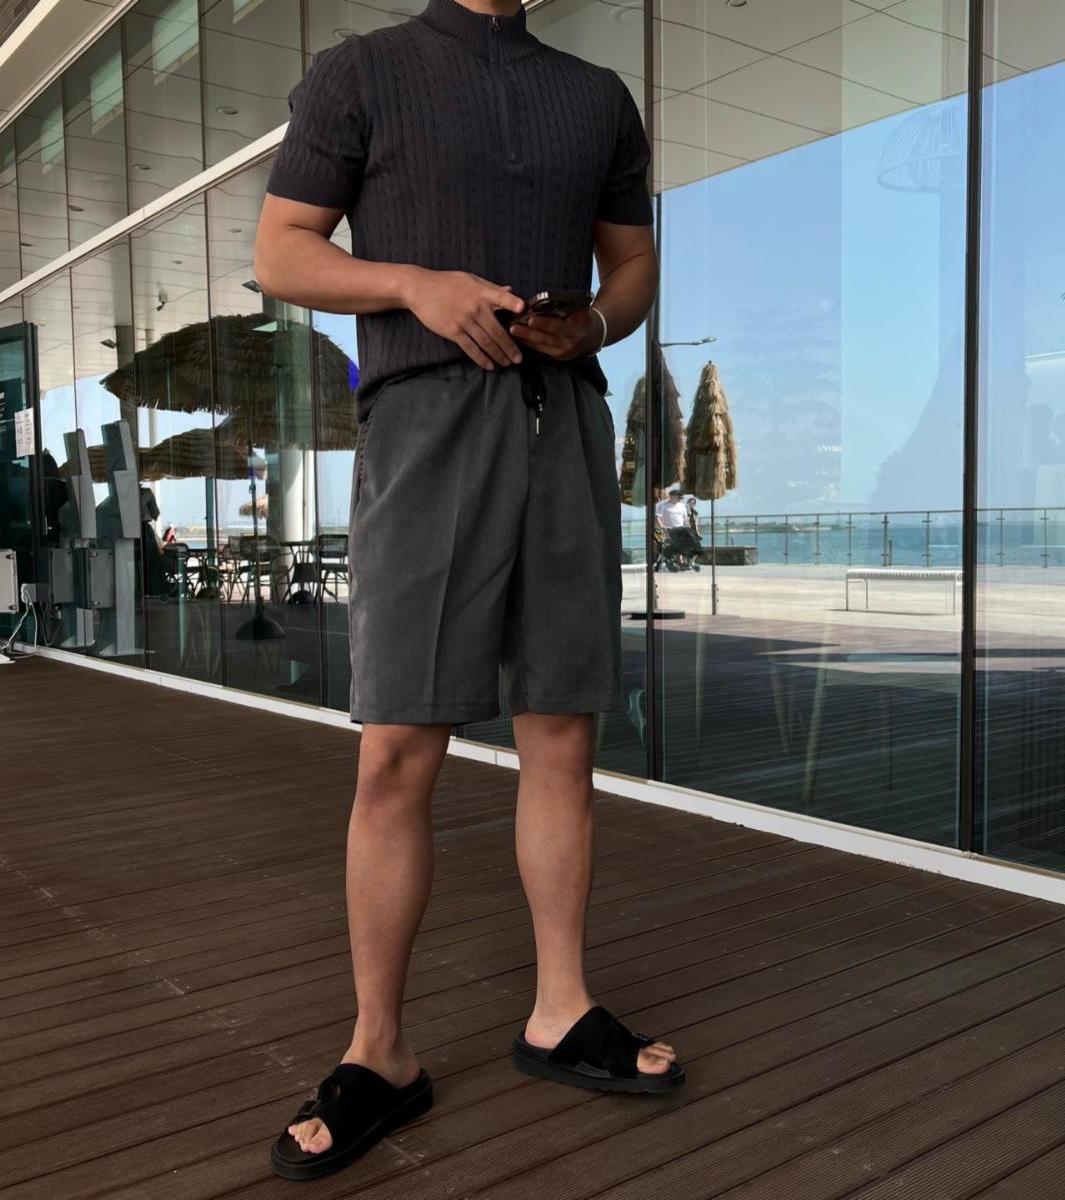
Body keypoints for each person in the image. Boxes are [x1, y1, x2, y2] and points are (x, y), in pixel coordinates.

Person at [254, 0, 682, 1180]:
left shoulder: (595, 96)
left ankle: (561, 1010)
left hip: (566, 425)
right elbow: (282, 249)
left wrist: (597, 322)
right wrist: (414, 287)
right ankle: (379, 1050)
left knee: (562, 730)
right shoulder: (362, 73)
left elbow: (632, 262)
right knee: (396, 747)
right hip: (423, 424)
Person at [654, 485, 691, 571]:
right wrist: (662, 527)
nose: (680, 499)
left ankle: (678, 561)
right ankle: (670, 562)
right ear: (672, 496)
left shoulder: (682, 506)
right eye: (678, 497)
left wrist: (688, 526)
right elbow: (657, 517)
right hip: (668, 529)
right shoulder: (663, 505)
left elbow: (685, 518)